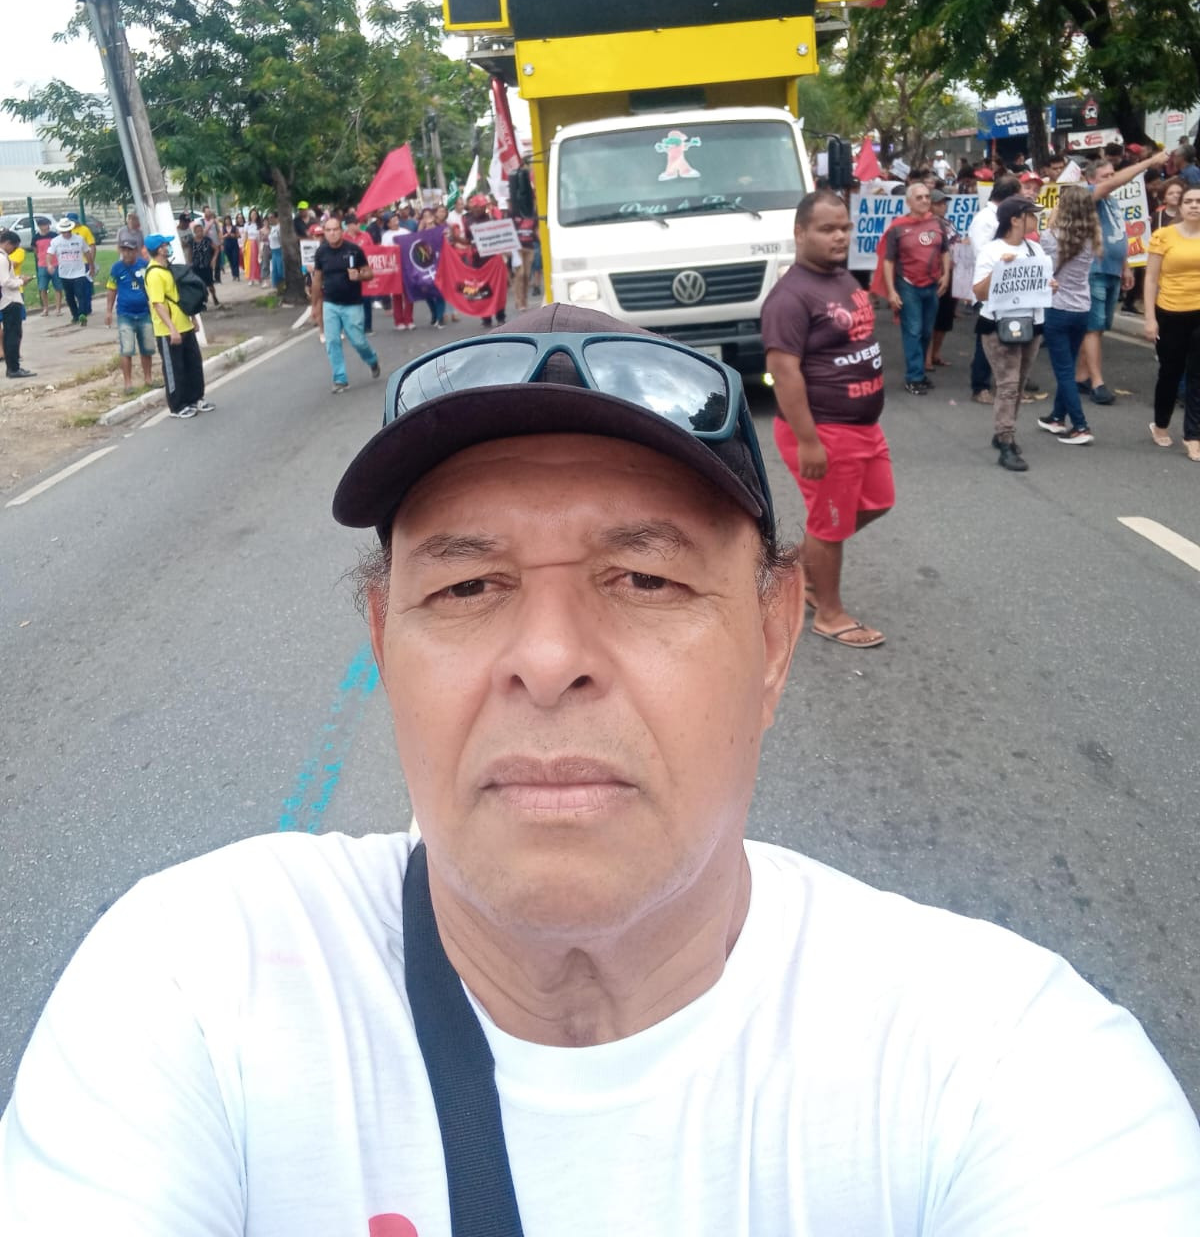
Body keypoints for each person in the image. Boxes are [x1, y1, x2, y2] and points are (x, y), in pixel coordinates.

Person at [7, 300, 1200, 1233]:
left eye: (645, 579)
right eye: (467, 586)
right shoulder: (198, 990)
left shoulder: (997, 1066)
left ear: (775, 635)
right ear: (383, 641)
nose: (547, 660)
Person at [765, 191, 891, 648]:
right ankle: (829, 614)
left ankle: (799, 566)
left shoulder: (842, 279)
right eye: (827, 229)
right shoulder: (790, 297)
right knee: (830, 524)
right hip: (823, 431)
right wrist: (808, 441)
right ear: (800, 233)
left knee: (876, 503)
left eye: (844, 227)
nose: (839, 237)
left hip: (862, 427)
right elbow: (783, 371)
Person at [1078, 146, 1170, 406]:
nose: (1111, 179)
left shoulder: (1113, 201)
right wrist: (1149, 162)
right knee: (1093, 327)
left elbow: (1120, 233)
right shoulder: (1089, 194)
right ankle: (1097, 382)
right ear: (1092, 179)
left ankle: (1081, 375)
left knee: (1099, 327)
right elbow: (1113, 185)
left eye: (1112, 174)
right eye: (1105, 176)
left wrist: (1126, 267)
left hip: (1112, 269)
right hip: (1094, 269)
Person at [972, 196, 1047, 472]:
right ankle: (1005, 439)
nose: (1036, 219)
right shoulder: (992, 251)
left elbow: (1041, 285)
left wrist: (1051, 284)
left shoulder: (1035, 249)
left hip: (1032, 322)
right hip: (999, 324)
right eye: (1031, 214)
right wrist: (1000, 270)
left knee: (1020, 382)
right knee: (1008, 384)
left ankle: (1005, 431)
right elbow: (978, 292)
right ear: (1015, 219)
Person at [1035, 185, 1103, 447]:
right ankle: (1056, 416)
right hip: (1082, 308)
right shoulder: (1092, 236)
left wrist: (1052, 219)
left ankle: (1080, 425)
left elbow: (1046, 270)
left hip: (1058, 307)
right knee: (1070, 363)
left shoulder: (1051, 236)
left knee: (1064, 371)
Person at [1144, 182, 1200, 460]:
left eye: (1199, 201)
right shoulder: (1164, 235)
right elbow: (1151, 278)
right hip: (1170, 312)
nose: (1194, 205)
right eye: (1189, 201)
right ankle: (1161, 424)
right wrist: (1150, 318)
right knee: (1171, 372)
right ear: (1180, 205)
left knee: (1197, 375)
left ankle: (1193, 435)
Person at [881, 181, 951, 395]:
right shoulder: (897, 227)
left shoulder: (938, 224)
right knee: (913, 330)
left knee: (926, 331)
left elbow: (945, 251)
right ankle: (914, 377)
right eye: (919, 197)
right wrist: (891, 291)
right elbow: (888, 261)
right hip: (908, 285)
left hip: (932, 285)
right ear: (909, 202)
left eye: (926, 197)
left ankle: (919, 371)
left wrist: (946, 275)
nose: (924, 201)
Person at [966, 173, 1022, 402]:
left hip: (1009, 288)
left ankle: (1010, 380)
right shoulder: (985, 220)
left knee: (1012, 335)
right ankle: (980, 386)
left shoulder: (1003, 217)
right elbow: (984, 255)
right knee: (987, 338)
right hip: (989, 287)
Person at [310, 215, 381, 394]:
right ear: (324, 233)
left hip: (352, 303)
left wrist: (359, 275)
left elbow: (369, 273)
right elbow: (317, 280)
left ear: (341, 231)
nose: (332, 233)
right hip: (330, 303)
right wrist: (315, 305)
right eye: (329, 230)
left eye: (335, 230)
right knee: (332, 341)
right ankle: (340, 378)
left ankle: (371, 359)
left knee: (358, 341)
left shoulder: (354, 250)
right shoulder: (321, 253)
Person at [144, 235, 212, 419]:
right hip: (168, 330)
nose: (168, 247)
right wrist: (172, 329)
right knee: (175, 368)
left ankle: (196, 398)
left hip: (185, 324)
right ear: (159, 249)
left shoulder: (169, 269)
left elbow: (181, 295)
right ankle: (178, 405)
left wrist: (193, 318)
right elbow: (158, 304)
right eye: (166, 244)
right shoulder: (154, 274)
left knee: (193, 364)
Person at [104, 238, 156, 393]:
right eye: (124, 250)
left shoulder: (144, 265)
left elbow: (151, 286)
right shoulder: (116, 268)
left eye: (130, 250)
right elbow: (111, 289)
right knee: (127, 349)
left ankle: (148, 378)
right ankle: (128, 383)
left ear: (136, 251)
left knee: (147, 348)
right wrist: (108, 311)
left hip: (144, 313)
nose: (126, 253)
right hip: (125, 313)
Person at [924, 186, 958, 372]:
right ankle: (927, 356)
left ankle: (936, 353)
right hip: (935, 274)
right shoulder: (927, 224)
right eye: (938, 203)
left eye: (944, 203)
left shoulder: (949, 223)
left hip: (951, 273)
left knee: (945, 317)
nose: (943, 206)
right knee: (932, 316)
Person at [47, 215, 93, 327]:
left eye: (68, 230)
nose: (66, 233)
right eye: (64, 231)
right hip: (64, 273)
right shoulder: (55, 241)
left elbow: (87, 252)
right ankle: (75, 315)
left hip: (79, 272)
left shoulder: (79, 239)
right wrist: (49, 264)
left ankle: (82, 314)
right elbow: (49, 254)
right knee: (69, 296)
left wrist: (91, 265)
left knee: (80, 294)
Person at [0, 229, 33, 379]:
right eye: (13, 247)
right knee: (13, 335)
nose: (14, 250)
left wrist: (18, 277)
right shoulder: (2, 258)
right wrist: (21, 281)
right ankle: (13, 368)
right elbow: (5, 282)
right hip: (10, 300)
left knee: (11, 335)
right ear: (7, 243)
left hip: (7, 300)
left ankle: (13, 367)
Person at [381, 212, 415, 330]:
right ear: (388, 223)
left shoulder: (405, 232)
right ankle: (399, 321)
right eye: (392, 219)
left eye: (396, 218)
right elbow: (384, 251)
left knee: (409, 295)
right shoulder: (386, 236)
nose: (395, 220)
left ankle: (409, 319)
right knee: (396, 295)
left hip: (406, 266)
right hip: (394, 268)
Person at [31, 214, 62, 316]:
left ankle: (58, 308)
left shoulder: (54, 235)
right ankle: (45, 308)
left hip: (55, 263)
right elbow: (35, 250)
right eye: (42, 225)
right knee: (42, 287)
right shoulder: (36, 237)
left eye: (46, 224)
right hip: (42, 264)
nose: (44, 227)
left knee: (58, 286)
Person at [190, 220, 220, 309]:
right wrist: (190, 262)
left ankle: (214, 297)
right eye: (197, 231)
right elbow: (190, 253)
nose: (199, 233)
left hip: (206, 265)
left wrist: (213, 259)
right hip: (196, 266)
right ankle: (202, 301)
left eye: (201, 231)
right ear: (194, 232)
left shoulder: (207, 240)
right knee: (199, 284)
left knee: (210, 283)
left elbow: (216, 249)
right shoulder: (192, 241)